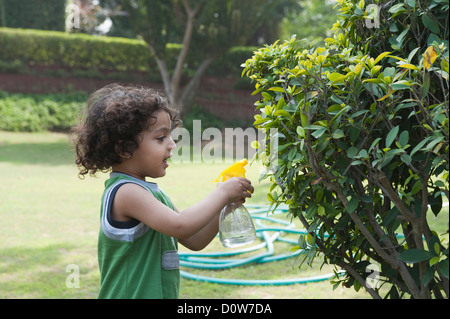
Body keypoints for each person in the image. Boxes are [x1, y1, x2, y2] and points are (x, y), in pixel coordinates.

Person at [72, 84, 253, 299]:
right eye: (161, 138)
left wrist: (225, 203)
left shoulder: (152, 194)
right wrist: (221, 194)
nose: (172, 145)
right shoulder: (126, 192)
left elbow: (194, 239)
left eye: (170, 136)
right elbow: (182, 225)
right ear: (124, 148)